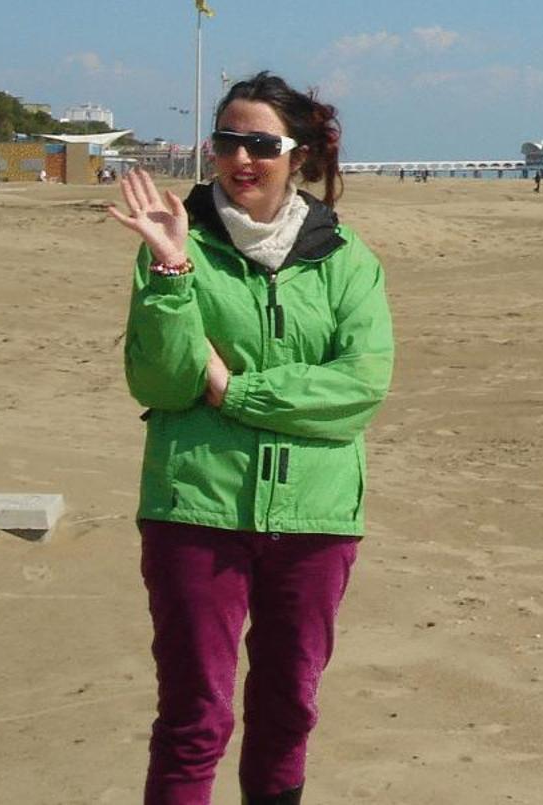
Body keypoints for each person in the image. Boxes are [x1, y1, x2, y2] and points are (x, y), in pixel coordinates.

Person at [109, 71, 395, 805]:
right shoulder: (177, 241)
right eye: (228, 141)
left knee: (287, 710)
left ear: (297, 154)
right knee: (194, 718)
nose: (242, 159)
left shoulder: (347, 259)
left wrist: (234, 389)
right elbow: (161, 383)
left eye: (261, 143)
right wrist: (173, 269)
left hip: (315, 517)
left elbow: (358, 386)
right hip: (195, 510)